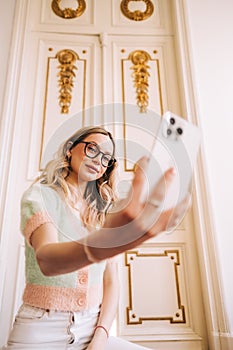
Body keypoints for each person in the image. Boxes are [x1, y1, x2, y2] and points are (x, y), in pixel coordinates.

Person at [5, 126, 189, 349]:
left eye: (106, 159)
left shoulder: (104, 211)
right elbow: (47, 259)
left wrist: (100, 336)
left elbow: (112, 282)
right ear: (69, 150)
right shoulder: (40, 196)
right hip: (40, 329)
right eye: (93, 149)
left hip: (92, 329)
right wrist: (102, 245)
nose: (99, 161)